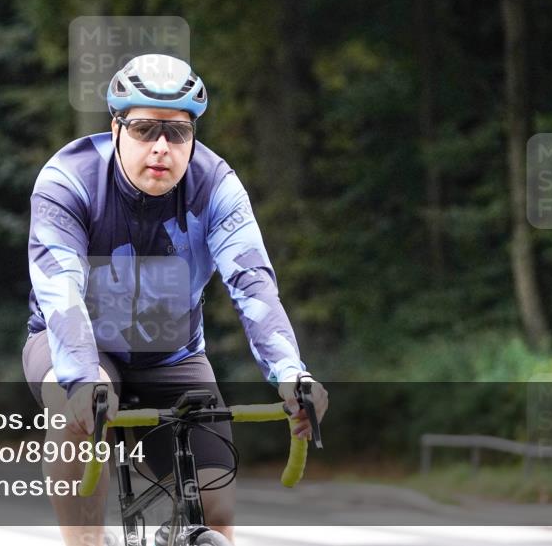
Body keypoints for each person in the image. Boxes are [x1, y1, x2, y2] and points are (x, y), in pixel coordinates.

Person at [23, 54, 328, 545]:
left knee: (217, 511)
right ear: (115, 127)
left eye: (178, 133)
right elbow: (59, 292)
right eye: (145, 129)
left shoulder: (217, 186)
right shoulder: (68, 179)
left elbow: (252, 283)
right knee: (73, 402)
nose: (161, 147)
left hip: (171, 353)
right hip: (80, 347)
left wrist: (292, 374)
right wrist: (83, 380)